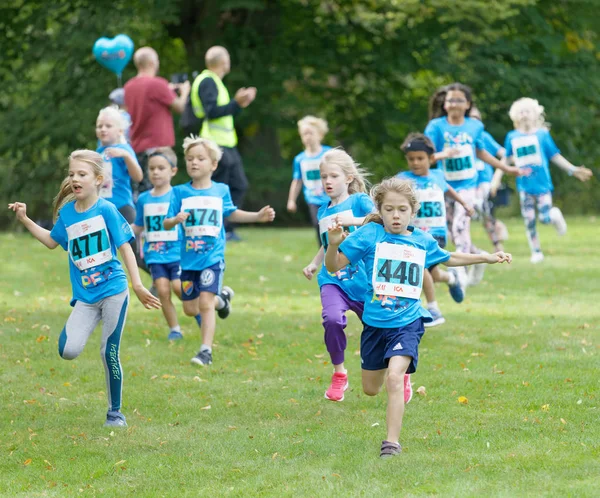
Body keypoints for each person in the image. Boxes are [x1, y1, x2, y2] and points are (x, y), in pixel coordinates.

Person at [324, 177, 513, 458]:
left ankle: (391, 443)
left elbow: (448, 258)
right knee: (370, 389)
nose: (396, 215)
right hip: (375, 325)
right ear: (380, 209)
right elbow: (334, 265)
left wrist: (486, 258)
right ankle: (393, 370)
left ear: (413, 212)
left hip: (408, 322)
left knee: (395, 378)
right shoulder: (369, 236)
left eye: (402, 209)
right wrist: (332, 244)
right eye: (389, 209)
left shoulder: (421, 239)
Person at [8, 150, 160, 427]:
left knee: (108, 351)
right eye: (72, 174)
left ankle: (115, 413)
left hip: (114, 289)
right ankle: (88, 322)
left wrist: (137, 284)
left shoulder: (106, 210)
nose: (75, 179)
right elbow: (52, 241)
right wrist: (26, 220)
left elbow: (126, 247)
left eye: (82, 174)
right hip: (86, 298)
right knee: (68, 350)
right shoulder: (67, 214)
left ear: (98, 180)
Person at [163, 136, 275, 366]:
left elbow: (231, 213)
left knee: (204, 304)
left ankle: (205, 351)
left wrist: (257, 216)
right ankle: (222, 300)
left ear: (213, 165)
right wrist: (176, 219)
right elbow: (166, 223)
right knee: (189, 308)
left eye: (200, 159)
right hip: (189, 261)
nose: (194, 163)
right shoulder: (179, 192)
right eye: (190, 159)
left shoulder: (221, 190)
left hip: (212, 258)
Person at [425, 83, 521, 287]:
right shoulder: (436, 127)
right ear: (444, 104)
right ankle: (479, 258)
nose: (454, 104)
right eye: (450, 100)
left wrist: (506, 169)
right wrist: (445, 154)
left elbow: (481, 152)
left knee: (460, 227)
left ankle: (459, 276)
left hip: (468, 187)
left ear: (467, 104)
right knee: (451, 232)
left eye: (460, 100)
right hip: (443, 187)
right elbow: (426, 157)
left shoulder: (475, 127)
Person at [302, 148, 376, 401]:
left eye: (333, 176)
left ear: (348, 178)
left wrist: (351, 220)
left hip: (364, 281)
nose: (328, 182)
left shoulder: (359, 202)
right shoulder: (323, 210)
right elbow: (326, 243)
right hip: (333, 279)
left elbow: (379, 219)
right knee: (332, 319)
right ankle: (339, 374)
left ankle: (402, 374)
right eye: (323, 177)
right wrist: (314, 264)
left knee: (381, 329)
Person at [502, 98, 593, 263]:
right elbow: (505, 161)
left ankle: (555, 215)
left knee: (544, 218)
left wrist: (573, 170)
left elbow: (555, 156)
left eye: (527, 111)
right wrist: (495, 180)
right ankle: (536, 252)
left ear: (535, 114)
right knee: (529, 220)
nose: (524, 115)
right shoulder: (512, 137)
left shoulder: (542, 135)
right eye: (520, 112)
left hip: (543, 185)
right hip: (524, 187)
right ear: (515, 116)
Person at [132, 147, 209, 340]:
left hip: (178, 254)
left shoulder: (179, 195)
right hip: (154, 255)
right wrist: (118, 235)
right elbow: (139, 226)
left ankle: (198, 310)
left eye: (161, 168)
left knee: (178, 287)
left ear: (173, 171)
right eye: (152, 168)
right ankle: (174, 329)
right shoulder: (143, 199)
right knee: (163, 291)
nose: (155, 172)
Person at [397, 133, 473, 326]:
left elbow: (449, 190)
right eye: (411, 159)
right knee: (429, 272)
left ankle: (433, 307)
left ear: (431, 159)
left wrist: (464, 203)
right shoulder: (403, 179)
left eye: (420, 158)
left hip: (437, 233)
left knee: (423, 269)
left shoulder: (438, 176)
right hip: (414, 234)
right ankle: (451, 279)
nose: (415, 163)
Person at [189, 46, 256, 241]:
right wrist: (236, 102)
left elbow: (222, 111)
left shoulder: (215, 82)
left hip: (226, 144)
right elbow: (211, 111)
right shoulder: (208, 81)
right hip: (215, 145)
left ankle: (225, 227)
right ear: (224, 62)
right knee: (220, 187)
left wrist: (238, 104)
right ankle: (219, 228)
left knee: (239, 185)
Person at [124, 46, 190, 196]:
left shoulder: (128, 87)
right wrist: (185, 92)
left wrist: (168, 90)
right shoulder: (157, 84)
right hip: (158, 146)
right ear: (153, 63)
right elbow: (179, 107)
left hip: (137, 146)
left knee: (141, 193)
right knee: (159, 193)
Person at [95, 106, 147, 273]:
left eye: (108, 126)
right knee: (101, 253)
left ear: (120, 130)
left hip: (122, 208)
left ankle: (160, 276)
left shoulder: (123, 150)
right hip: (101, 209)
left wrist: (125, 156)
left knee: (134, 253)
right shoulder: (98, 152)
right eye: (99, 126)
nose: (103, 129)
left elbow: (138, 177)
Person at [469, 106, 509, 256]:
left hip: (484, 181)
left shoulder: (484, 137)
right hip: (467, 183)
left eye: (477, 119)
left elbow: (504, 154)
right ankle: (497, 227)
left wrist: (497, 177)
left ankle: (497, 244)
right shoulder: (459, 137)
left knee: (480, 207)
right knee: (484, 213)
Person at [287, 116, 332, 245]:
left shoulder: (328, 153)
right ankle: (323, 254)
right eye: (304, 134)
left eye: (311, 133)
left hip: (331, 198)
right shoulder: (300, 159)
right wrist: (291, 200)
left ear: (320, 135)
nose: (307, 137)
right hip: (313, 200)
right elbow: (297, 181)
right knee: (319, 227)